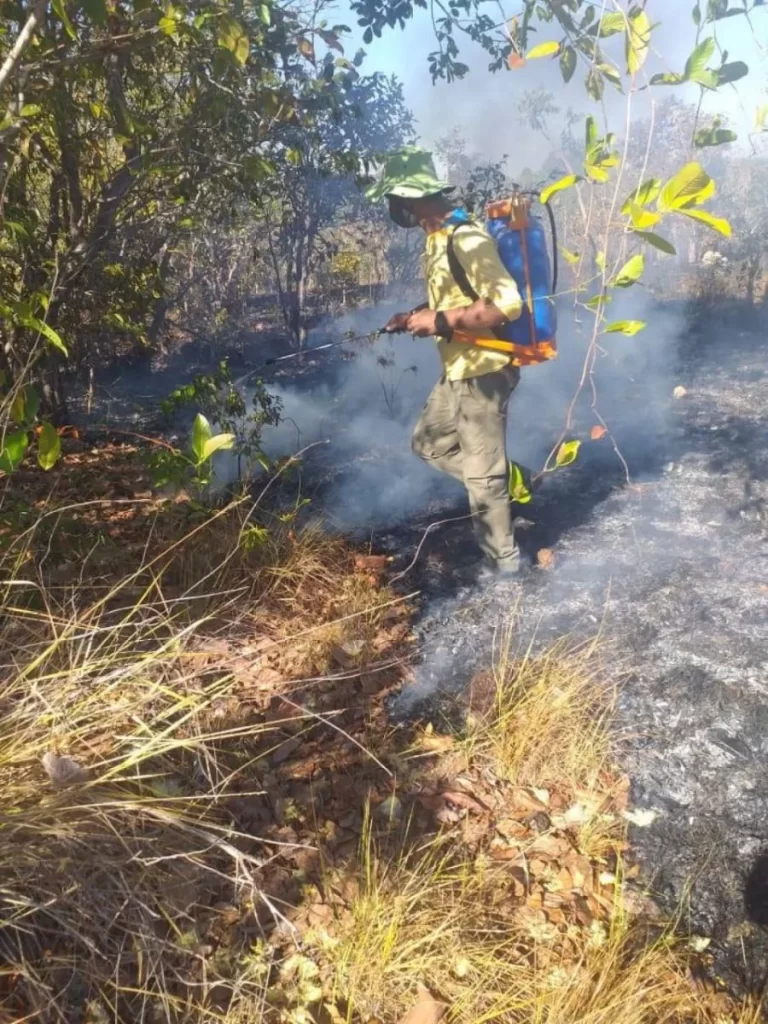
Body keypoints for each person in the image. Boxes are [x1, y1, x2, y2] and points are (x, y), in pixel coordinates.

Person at [366, 146, 527, 576]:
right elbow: (454, 296)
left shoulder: (466, 237)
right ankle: (507, 481)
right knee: (428, 443)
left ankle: (507, 569)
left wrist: (437, 320)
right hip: (458, 369)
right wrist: (414, 316)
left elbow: (505, 304)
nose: (393, 208)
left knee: (482, 477)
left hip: (485, 370)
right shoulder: (436, 237)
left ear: (412, 196)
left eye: (395, 199)